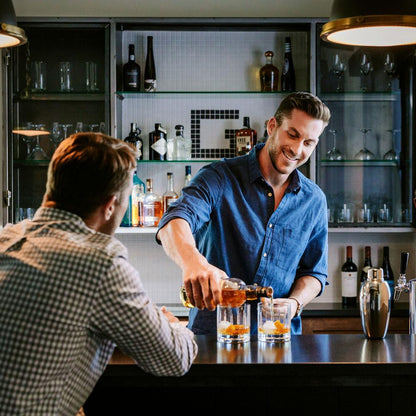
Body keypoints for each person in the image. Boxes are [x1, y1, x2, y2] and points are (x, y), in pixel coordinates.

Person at [0, 133, 197, 415]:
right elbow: (173, 359)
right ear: (109, 206)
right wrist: (176, 326)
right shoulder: (100, 263)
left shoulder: (7, 238)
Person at [157, 91, 331, 335]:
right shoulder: (219, 177)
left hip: (277, 339)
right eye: (292, 134)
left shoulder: (314, 201)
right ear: (272, 126)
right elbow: (175, 220)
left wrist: (295, 303)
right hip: (213, 340)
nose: (296, 148)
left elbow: (314, 272)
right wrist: (194, 263)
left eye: (308, 143)